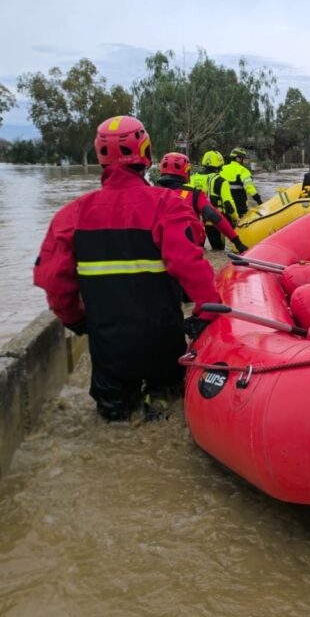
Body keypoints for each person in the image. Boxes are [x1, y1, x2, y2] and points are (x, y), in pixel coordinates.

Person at [33, 115, 220, 423]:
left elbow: (53, 281)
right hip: (163, 341)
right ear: (146, 154)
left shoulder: (71, 215)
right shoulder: (168, 205)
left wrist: (77, 320)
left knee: (114, 421)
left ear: (100, 156)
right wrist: (206, 312)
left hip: (108, 347)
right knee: (167, 411)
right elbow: (191, 265)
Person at [156, 152, 248, 254]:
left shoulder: (152, 194)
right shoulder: (195, 193)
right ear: (185, 171)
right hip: (192, 244)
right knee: (218, 251)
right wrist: (237, 241)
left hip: (160, 247)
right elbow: (215, 214)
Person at [189, 150, 237, 249]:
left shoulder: (192, 178)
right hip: (214, 222)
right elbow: (228, 203)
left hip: (195, 222)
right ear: (219, 163)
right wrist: (236, 218)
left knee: (197, 251)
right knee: (218, 250)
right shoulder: (221, 181)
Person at [220, 147, 262, 217]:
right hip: (240, 206)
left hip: (225, 206)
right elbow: (249, 187)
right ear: (238, 159)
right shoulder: (243, 170)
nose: (245, 161)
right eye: (244, 159)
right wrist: (258, 200)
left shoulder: (222, 169)